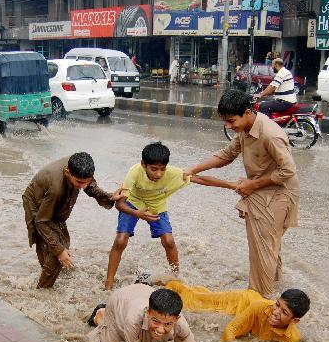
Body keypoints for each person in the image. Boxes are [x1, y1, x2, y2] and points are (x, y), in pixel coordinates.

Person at [184, 89, 300, 297]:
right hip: (263, 190)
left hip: (277, 194)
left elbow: (288, 171)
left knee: (262, 250)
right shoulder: (245, 130)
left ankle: (259, 300)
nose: (228, 126)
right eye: (225, 122)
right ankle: (274, 289)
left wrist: (253, 185)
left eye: (231, 121)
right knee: (269, 246)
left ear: (247, 112)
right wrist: (194, 170)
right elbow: (227, 155)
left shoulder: (270, 135)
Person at [106, 142, 238, 290]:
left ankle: (175, 278)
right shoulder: (135, 172)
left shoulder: (173, 173)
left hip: (157, 206)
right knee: (120, 240)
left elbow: (200, 179)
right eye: (154, 169)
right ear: (143, 164)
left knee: (169, 241)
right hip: (133, 204)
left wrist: (231, 185)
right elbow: (119, 205)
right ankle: (108, 283)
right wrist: (139, 214)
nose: (158, 174)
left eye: (162, 169)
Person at [22, 152, 116, 289]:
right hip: (37, 204)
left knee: (60, 243)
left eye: (86, 181)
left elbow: (89, 185)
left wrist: (110, 196)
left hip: (51, 200)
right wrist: (59, 251)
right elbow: (41, 221)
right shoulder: (56, 189)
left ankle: (50, 271)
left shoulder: (81, 168)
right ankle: (42, 290)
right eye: (78, 182)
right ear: (67, 172)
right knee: (55, 250)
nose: (82, 186)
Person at [142, 276, 310, 342]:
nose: (276, 311)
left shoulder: (292, 338)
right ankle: (155, 283)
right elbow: (231, 329)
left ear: (295, 321)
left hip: (249, 306)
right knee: (195, 301)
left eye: (284, 312)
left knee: (202, 296)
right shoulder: (260, 307)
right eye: (277, 304)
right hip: (243, 301)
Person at [87, 284, 201, 342]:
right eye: (155, 321)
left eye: (167, 324)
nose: (160, 330)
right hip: (120, 300)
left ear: (176, 319)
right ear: (147, 313)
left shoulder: (181, 325)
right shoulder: (133, 319)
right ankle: (100, 313)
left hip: (143, 294)